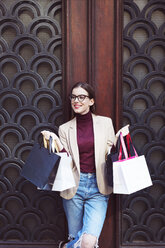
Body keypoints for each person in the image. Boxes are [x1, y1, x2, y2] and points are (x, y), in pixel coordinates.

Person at [41, 82, 129, 248]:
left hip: (98, 187)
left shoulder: (105, 123)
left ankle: (65, 246)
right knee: (76, 238)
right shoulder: (65, 129)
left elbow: (110, 153)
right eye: (73, 97)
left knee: (88, 242)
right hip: (74, 186)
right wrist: (57, 144)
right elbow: (66, 161)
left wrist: (119, 140)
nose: (76, 100)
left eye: (82, 97)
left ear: (91, 101)